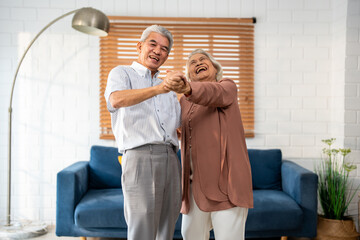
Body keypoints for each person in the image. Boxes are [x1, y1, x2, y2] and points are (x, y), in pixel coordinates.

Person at [164, 49, 254, 240]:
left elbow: (212, 94)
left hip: (226, 185)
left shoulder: (226, 87)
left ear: (215, 68)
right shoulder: (184, 102)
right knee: (190, 235)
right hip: (194, 188)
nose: (197, 63)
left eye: (203, 59)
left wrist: (187, 88)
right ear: (189, 74)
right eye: (192, 62)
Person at [104, 25, 181, 240]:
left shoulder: (168, 88)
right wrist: (159, 89)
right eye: (153, 44)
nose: (158, 51)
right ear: (140, 46)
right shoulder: (122, 73)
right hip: (140, 156)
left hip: (171, 158)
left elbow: (180, 126)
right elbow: (116, 99)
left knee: (167, 226)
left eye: (164, 49)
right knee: (142, 229)